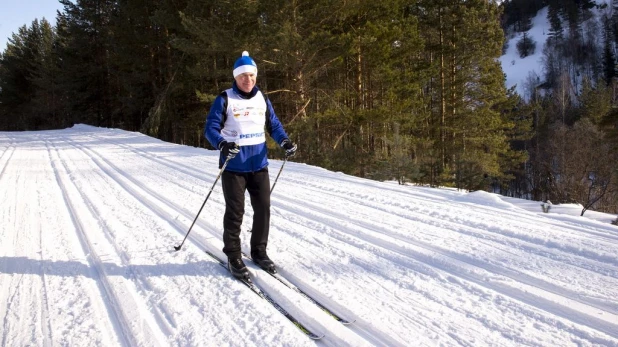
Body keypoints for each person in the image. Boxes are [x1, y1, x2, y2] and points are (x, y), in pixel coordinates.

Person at [204, 51, 297, 280]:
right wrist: (222, 144)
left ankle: (259, 251)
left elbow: (273, 125)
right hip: (234, 167)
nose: (248, 79)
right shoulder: (224, 99)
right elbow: (210, 129)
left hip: (259, 165)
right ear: (236, 77)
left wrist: (284, 141)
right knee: (235, 212)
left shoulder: (262, 99)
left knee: (263, 209)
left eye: (252, 75)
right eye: (243, 75)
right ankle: (233, 254)